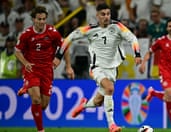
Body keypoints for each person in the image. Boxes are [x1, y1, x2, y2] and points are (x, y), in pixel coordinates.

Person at [54, 3, 142, 132]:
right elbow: (69, 38)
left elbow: (132, 38)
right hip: (97, 68)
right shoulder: (90, 30)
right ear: (97, 16)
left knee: (98, 101)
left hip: (112, 70)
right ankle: (111, 125)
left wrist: (137, 54)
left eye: (108, 14)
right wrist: (58, 55)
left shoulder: (117, 27)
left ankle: (83, 105)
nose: (106, 17)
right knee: (109, 88)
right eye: (103, 14)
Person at [14, 6, 74, 132]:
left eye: (44, 19)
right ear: (33, 20)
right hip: (32, 70)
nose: (42, 22)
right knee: (36, 99)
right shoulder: (26, 34)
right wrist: (25, 63)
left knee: (43, 105)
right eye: (39, 19)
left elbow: (65, 46)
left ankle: (26, 88)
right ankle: (41, 130)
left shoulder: (52, 32)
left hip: (47, 70)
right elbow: (17, 51)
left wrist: (67, 66)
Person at [139, 18, 171, 132]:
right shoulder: (161, 41)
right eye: (170, 26)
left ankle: (153, 93)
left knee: (169, 96)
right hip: (165, 70)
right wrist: (143, 63)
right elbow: (150, 52)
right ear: (167, 28)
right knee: (169, 94)